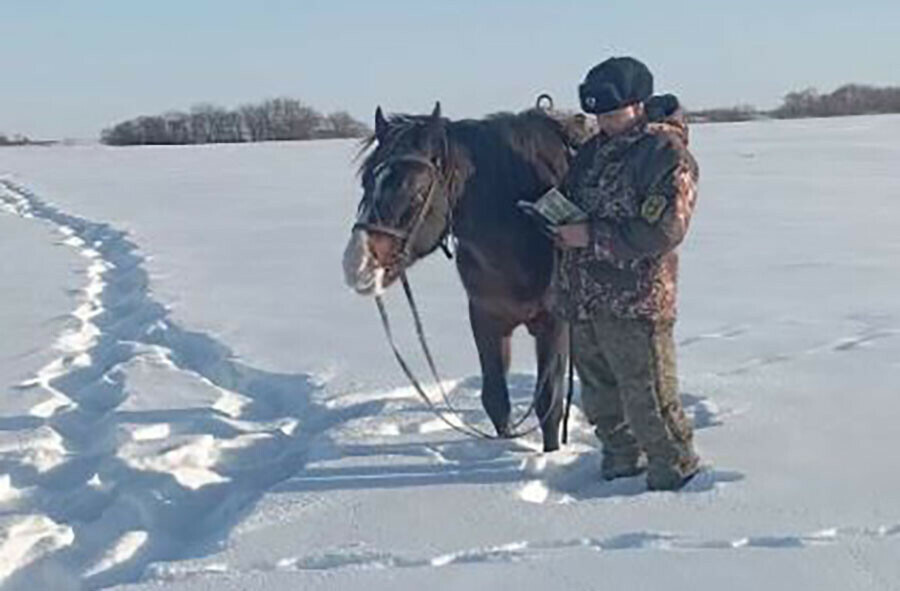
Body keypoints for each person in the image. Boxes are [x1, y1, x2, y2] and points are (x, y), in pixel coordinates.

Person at [551, 57, 701, 491]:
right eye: (598, 115)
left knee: (648, 397)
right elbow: (575, 200)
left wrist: (590, 236)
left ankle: (674, 473)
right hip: (584, 297)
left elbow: (664, 230)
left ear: (638, 105)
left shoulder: (664, 154)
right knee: (600, 397)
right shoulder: (593, 152)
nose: (603, 122)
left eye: (612, 113)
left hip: (635, 301)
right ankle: (620, 463)